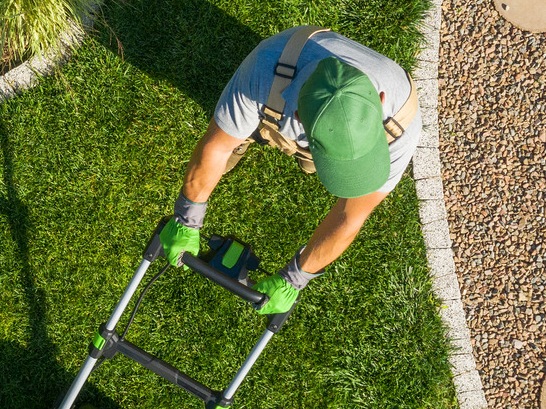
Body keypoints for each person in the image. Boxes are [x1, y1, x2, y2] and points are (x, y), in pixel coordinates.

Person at [159, 25, 422, 314]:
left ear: (380, 101)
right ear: (298, 118)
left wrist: (295, 279)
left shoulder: (402, 123)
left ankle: (309, 155)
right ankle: (255, 131)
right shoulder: (264, 69)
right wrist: (187, 217)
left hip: (303, 117)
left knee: (312, 166)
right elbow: (216, 148)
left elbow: (350, 216)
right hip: (278, 94)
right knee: (233, 136)